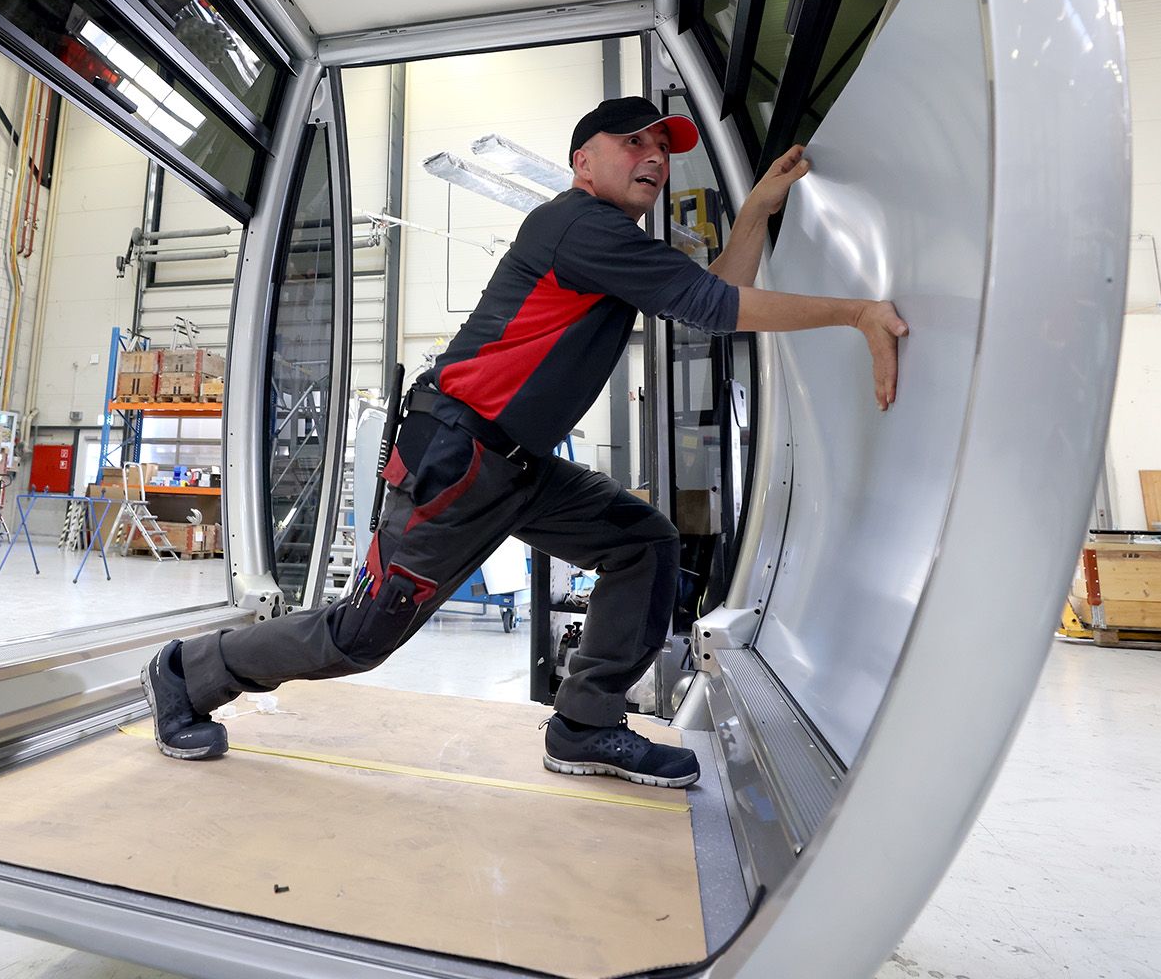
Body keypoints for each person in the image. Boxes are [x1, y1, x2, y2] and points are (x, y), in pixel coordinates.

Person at [141, 97, 908, 787]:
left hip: (518, 465)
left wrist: (755, 215)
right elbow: (715, 304)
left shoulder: (617, 246)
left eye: (663, 148)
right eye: (632, 141)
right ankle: (187, 672)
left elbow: (710, 300)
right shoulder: (581, 223)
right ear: (584, 161)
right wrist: (860, 314)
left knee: (642, 543)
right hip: (456, 456)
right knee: (361, 637)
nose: (653, 156)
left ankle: (585, 725)